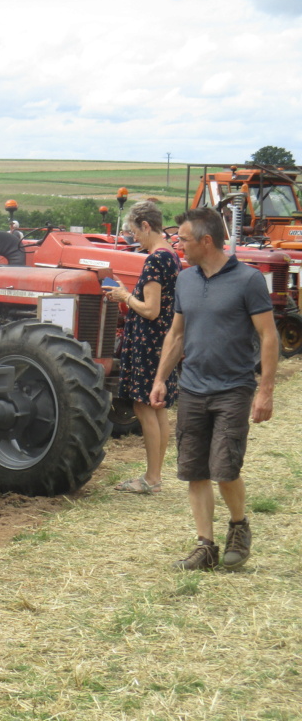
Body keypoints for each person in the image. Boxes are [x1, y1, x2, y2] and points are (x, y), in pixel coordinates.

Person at [149, 207, 277, 571]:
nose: (179, 244)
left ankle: (239, 525)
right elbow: (176, 334)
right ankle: (205, 546)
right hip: (192, 388)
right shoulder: (186, 280)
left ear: (206, 241)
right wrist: (161, 379)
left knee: (225, 468)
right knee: (195, 470)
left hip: (233, 388)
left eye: (184, 239)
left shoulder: (249, 280)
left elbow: (269, 336)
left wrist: (265, 390)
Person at [102, 201, 180, 495]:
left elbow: (150, 309)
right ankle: (155, 475)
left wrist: (124, 295)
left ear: (146, 226)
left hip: (149, 343)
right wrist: (127, 292)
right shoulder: (172, 256)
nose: (134, 237)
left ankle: (152, 478)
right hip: (164, 340)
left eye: (135, 231)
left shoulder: (155, 260)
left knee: (143, 405)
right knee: (158, 408)